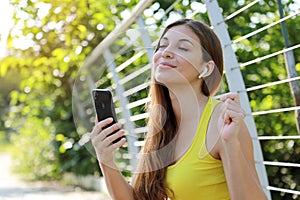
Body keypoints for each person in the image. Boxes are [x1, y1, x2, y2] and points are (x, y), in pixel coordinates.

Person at [90, 18, 267, 200]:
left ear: (206, 68)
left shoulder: (223, 121)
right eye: (162, 46)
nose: (165, 53)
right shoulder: (162, 125)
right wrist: (105, 159)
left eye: (183, 47)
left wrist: (231, 144)